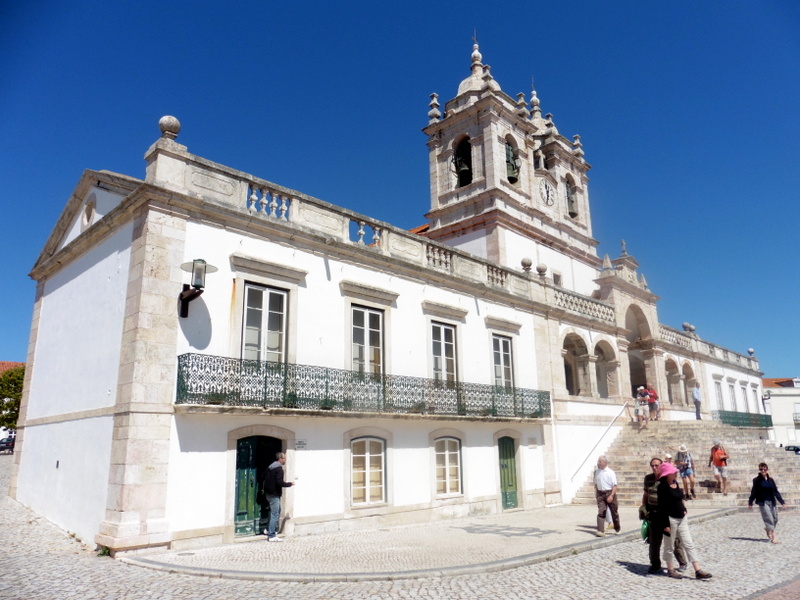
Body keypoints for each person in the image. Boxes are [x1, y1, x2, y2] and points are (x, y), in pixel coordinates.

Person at [656, 462, 712, 580]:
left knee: (689, 544)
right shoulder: (662, 487)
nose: (675, 473)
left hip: (682, 518)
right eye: (673, 472)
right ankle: (670, 569)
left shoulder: (676, 483)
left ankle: (698, 570)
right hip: (670, 520)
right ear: (667, 474)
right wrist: (665, 524)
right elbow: (661, 507)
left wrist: (684, 509)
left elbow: (680, 499)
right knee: (669, 546)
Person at [642, 457, 687, 574]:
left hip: (669, 514)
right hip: (654, 514)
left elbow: (677, 494)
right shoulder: (648, 479)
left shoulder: (667, 478)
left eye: (657, 465)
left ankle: (682, 562)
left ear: (661, 466)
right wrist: (643, 509)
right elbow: (646, 494)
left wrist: (683, 508)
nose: (654, 467)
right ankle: (655, 564)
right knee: (654, 541)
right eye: (652, 465)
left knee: (674, 540)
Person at [748, 462, 785, 543]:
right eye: (761, 469)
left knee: (775, 518)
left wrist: (782, 502)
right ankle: (774, 536)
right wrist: (750, 502)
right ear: (759, 470)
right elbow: (754, 491)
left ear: (767, 469)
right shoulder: (756, 480)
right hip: (763, 502)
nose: (763, 470)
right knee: (769, 518)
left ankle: (768, 529)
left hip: (772, 501)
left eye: (764, 469)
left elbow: (775, 491)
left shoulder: (771, 480)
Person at [264, 451, 295, 542]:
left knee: (275, 511)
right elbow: (279, 482)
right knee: (275, 514)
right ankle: (272, 535)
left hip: (268, 494)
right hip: (274, 494)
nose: (285, 459)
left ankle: (267, 529)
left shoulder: (270, 467)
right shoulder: (278, 469)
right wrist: (289, 484)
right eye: (284, 458)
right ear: (280, 459)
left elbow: (264, 477)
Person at [594, 455, 620, 537]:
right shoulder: (597, 472)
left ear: (605, 462)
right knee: (601, 511)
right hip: (600, 493)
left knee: (614, 512)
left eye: (600, 461)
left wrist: (611, 495)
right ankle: (600, 530)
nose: (598, 463)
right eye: (598, 461)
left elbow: (615, 485)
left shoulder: (610, 472)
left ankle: (617, 528)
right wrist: (596, 494)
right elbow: (595, 484)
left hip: (609, 492)